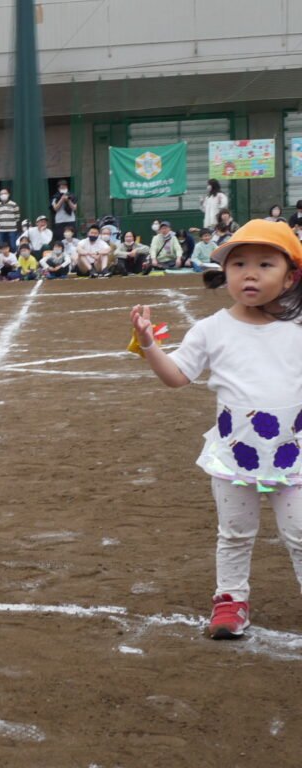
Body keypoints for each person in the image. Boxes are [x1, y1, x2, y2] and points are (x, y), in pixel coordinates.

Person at [130, 219, 302, 640]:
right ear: (224, 272)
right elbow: (177, 376)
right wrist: (149, 345)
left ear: (290, 276)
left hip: (293, 455)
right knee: (235, 533)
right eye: (238, 263)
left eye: (265, 264)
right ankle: (230, 601)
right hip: (233, 455)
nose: (250, 273)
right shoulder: (212, 329)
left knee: (300, 535)